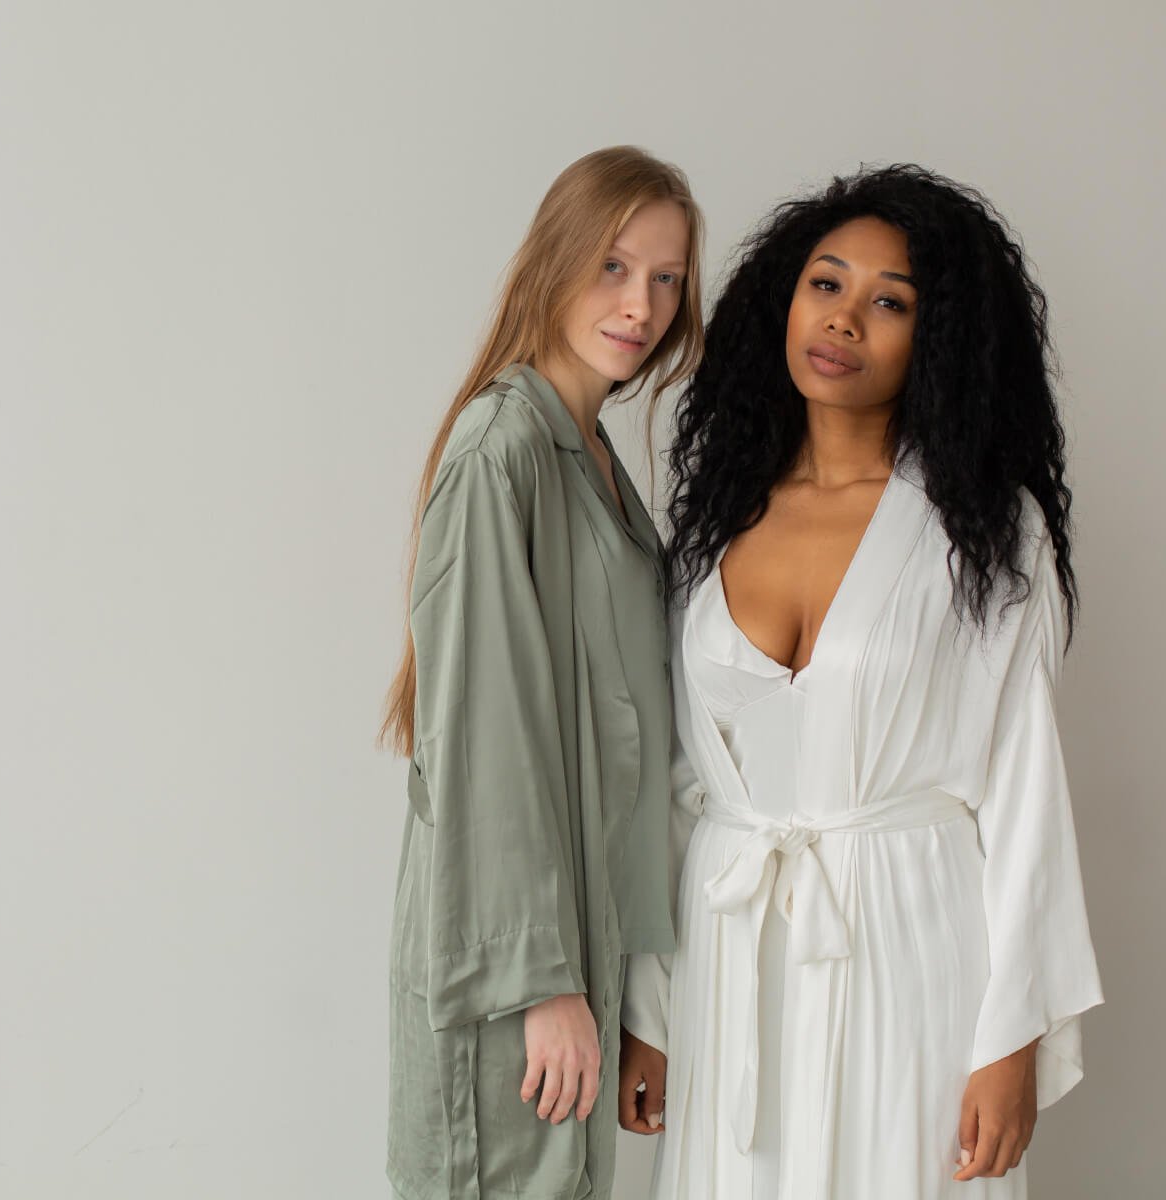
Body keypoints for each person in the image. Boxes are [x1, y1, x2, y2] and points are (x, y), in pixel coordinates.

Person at [618, 165, 1104, 1198]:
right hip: (728, 950)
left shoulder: (983, 534)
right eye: (827, 283)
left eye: (891, 303)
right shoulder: (714, 517)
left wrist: (1011, 1037)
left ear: (938, 340)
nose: (843, 318)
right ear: (784, 300)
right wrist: (648, 1007)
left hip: (906, 941)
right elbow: (678, 782)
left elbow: (1023, 792)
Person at [380, 146, 705, 1200]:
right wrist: (540, 984)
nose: (641, 305)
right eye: (614, 266)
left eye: (666, 278)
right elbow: (482, 737)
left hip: (580, 948)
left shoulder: (593, 459)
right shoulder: (502, 448)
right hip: (512, 968)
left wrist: (639, 999)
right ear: (554, 261)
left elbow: (632, 732)